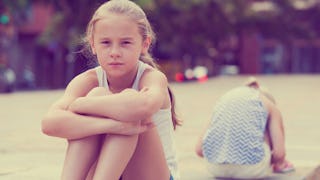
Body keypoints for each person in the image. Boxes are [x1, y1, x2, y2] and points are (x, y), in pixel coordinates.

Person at [41, 0, 181, 179]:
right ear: (93, 44)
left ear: (144, 44)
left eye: (125, 43)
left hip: (151, 175)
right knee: (99, 95)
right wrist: (113, 126)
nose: (115, 52)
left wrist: (82, 105)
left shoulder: (151, 77)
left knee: (129, 102)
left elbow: (143, 106)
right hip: (110, 172)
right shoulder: (88, 81)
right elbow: (49, 123)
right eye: (106, 42)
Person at [195, 77, 294, 179]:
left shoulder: (223, 100)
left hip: (214, 168)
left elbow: (199, 150)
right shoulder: (270, 105)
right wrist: (278, 161)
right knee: (263, 127)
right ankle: (280, 165)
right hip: (252, 169)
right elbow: (279, 154)